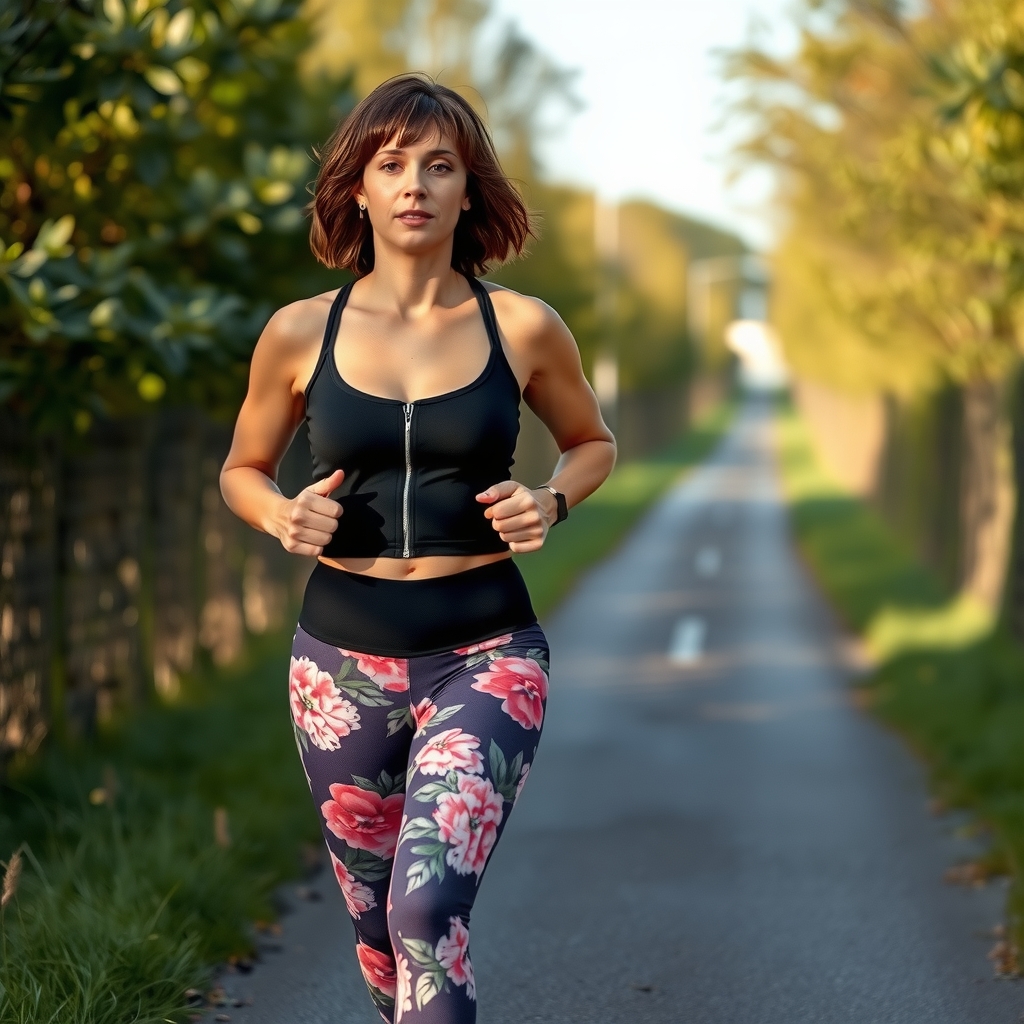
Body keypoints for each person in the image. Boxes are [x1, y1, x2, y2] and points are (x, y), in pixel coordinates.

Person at [220, 74, 615, 1024]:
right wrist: (278, 516)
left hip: (485, 653)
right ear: (357, 186)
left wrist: (551, 499)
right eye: (391, 163)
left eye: (440, 166)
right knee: (375, 932)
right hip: (338, 663)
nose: (415, 184)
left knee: (425, 909)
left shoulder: (521, 325)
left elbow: (593, 443)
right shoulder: (296, 333)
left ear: (469, 190)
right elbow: (243, 468)